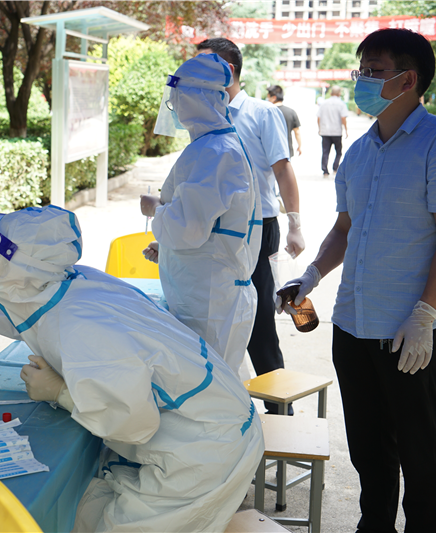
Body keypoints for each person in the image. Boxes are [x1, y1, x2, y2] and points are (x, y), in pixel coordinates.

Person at [0, 205, 264, 533]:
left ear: (20, 267)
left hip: (206, 451)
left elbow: (132, 423)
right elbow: (25, 311)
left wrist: (60, 392)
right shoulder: (69, 281)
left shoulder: (84, 330)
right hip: (218, 421)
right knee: (86, 509)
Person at [278, 29, 436, 532]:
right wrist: (310, 276)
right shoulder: (360, 152)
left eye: (373, 70)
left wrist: (426, 315)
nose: (361, 81)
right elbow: (346, 229)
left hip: (409, 329)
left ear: (408, 80)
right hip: (353, 326)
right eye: (360, 70)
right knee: (370, 452)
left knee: (420, 453)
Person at [195, 37, 304, 413]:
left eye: (207, 67)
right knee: (217, 317)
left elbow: (283, 170)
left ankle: (280, 413)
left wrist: (295, 223)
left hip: (258, 227)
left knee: (257, 321)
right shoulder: (204, 114)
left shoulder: (261, 113)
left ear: (230, 71)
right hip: (214, 231)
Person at [138, 53, 261, 375]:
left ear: (195, 98)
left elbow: (188, 229)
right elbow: (211, 226)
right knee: (214, 385)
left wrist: (155, 209)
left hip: (209, 301)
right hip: (209, 292)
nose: (174, 106)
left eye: (177, 98)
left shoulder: (215, 152)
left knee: (208, 393)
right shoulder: (215, 146)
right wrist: (166, 247)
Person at [316, 86, 349, 177]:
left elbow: (318, 117)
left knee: (325, 151)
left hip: (325, 131)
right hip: (337, 132)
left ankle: (325, 171)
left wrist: (320, 129)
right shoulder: (341, 104)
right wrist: (346, 129)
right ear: (339, 94)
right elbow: (343, 118)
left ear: (330, 93)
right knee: (338, 151)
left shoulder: (324, 103)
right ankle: (335, 168)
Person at [267, 84, 302, 158]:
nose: (267, 99)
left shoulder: (266, 112)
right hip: (286, 150)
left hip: (269, 150)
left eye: (268, 97)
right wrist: (300, 146)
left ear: (274, 97)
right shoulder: (291, 112)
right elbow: (297, 132)